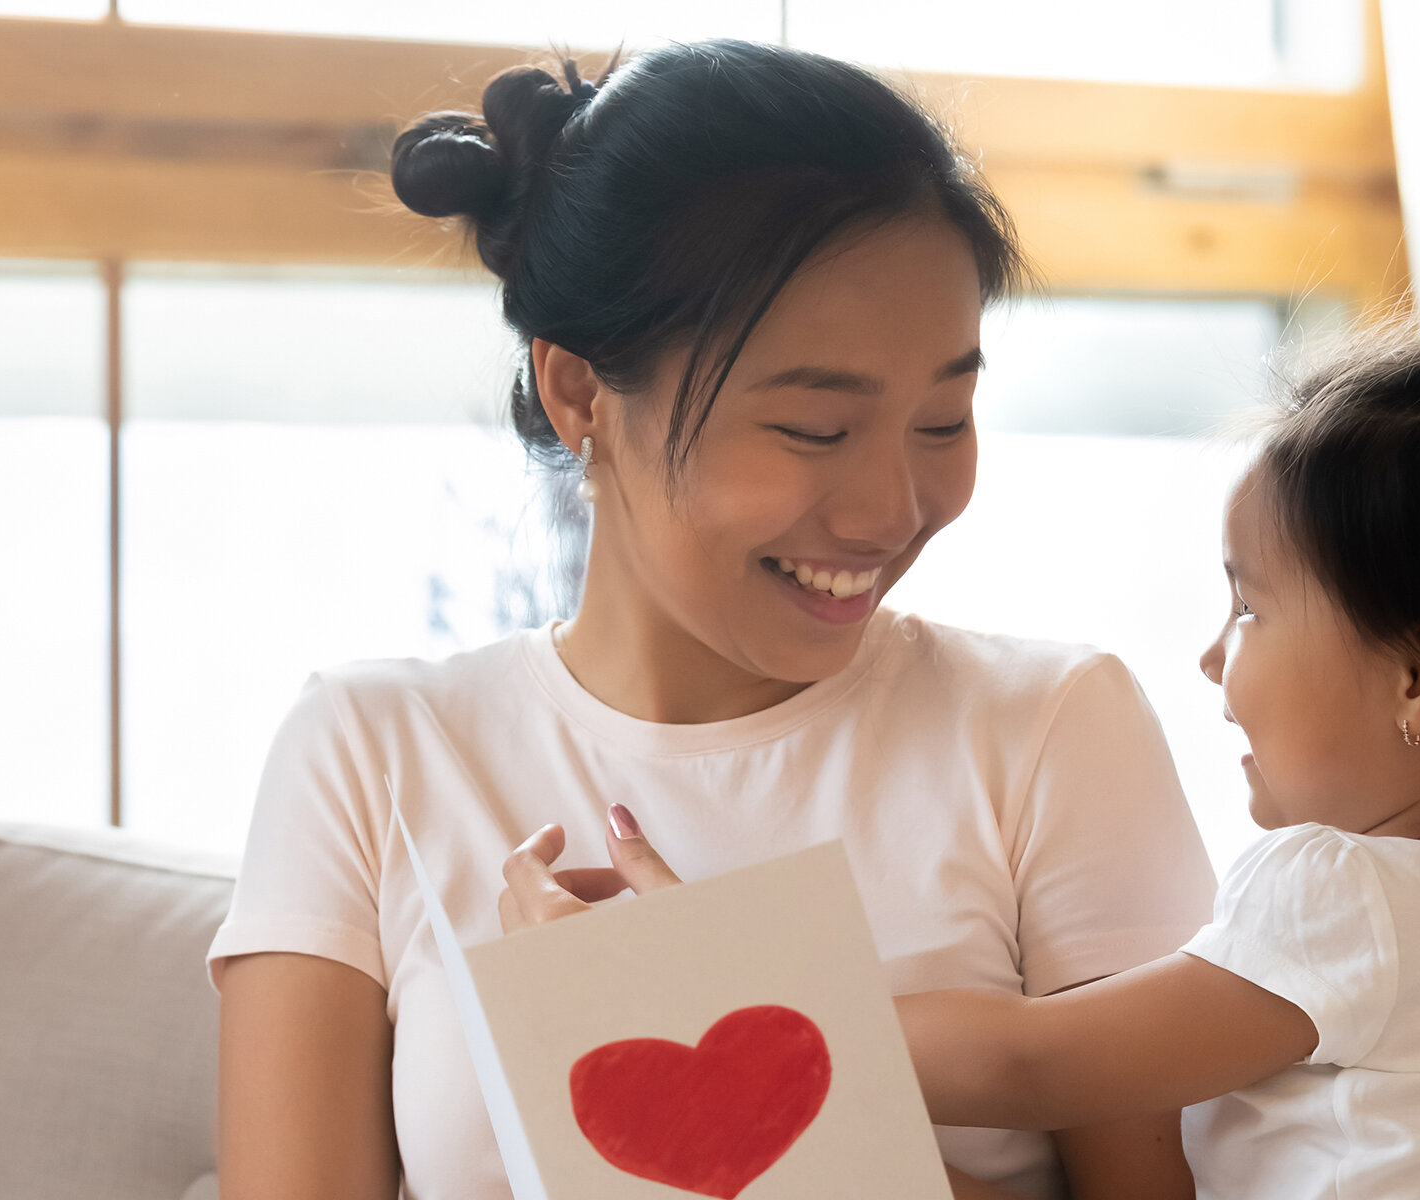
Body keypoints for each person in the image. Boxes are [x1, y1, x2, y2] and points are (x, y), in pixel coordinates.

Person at [516, 338, 1420, 1198]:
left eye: (1248, 607)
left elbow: (1038, 1061)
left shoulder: (1341, 896)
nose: (1209, 663)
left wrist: (721, 977)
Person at [211, 40, 1216, 1200]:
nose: (893, 509)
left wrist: (710, 1047)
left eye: (943, 421)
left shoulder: (1047, 732)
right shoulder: (371, 753)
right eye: (813, 431)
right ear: (579, 391)